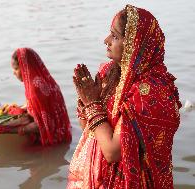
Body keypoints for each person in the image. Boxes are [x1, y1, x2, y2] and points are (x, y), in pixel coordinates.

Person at [67, 4, 181, 189]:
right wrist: (85, 100)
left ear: (134, 44)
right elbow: (89, 131)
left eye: (115, 36)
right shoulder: (110, 72)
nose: (106, 40)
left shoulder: (149, 92)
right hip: (98, 177)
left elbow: (112, 152)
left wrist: (92, 103)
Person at [0, 48, 72, 146]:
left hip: (52, 141)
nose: (13, 73)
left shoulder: (35, 89)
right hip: (64, 132)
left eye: (15, 69)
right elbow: (39, 107)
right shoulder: (47, 80)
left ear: (24, 68)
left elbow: (39, 126)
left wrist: (9, 129)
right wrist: (15, 110)